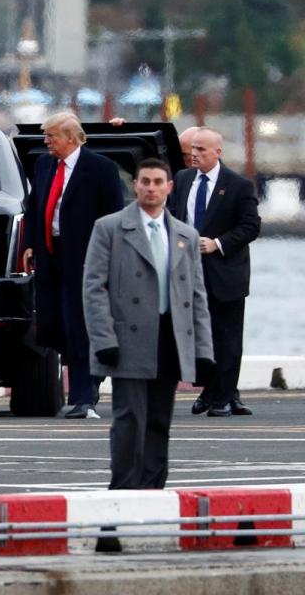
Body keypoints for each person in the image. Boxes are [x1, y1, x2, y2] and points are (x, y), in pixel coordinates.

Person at [84, 158, 214, 492]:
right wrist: (104, 340)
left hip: (170, 339)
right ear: (135, 185)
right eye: (145, 182)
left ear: (170, 187)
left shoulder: (186, 234)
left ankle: (154, 491)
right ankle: (125, 491)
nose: (151, 188)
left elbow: (196, 296)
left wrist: (202, 351)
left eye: (158, 182)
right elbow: (93, 288)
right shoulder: (109, 228)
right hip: (128, 341)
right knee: (129, 421)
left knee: (159, 422)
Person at [23, 112, 125, 419]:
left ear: (71, 138)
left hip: (85, 258)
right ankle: (90, 378)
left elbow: (113, 217)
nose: (46, 142)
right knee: (53, 327)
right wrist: (30, 243)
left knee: (79, 327)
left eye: (51, 136)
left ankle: (83, 397)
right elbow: (34, 205)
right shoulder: (43, 165)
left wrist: (107, 258)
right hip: (50, 255)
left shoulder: (101, 169)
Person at [169, 127, 261, 417]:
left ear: (217, 152)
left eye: (201, 150)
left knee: (227, 336)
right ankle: (211, 390)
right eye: (192, 149)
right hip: (188, 271)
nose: (194, 155)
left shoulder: (238, 185)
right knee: (196, 333)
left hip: (225, 272)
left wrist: (218, 243)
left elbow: (250, 227)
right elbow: (172, 216)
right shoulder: (183, 180)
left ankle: (223, 395)